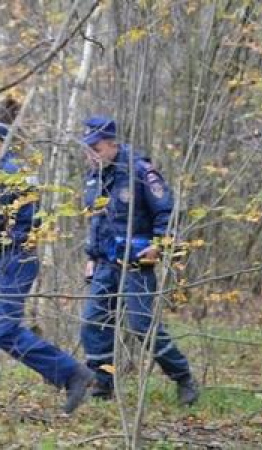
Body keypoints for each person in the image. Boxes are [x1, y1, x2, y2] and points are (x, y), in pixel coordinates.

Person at [0, 116, 94, 416]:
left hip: (16, 260)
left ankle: (71, 373)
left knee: (3, 332)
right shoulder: (10, 171)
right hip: (6, 260)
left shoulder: (7, 175)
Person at [78, 116, 198, 405]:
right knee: (93, 323)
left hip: (136, 265)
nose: (91, 155)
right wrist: (92, 257)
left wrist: (158, 246)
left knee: (142, 325)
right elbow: (96, 221)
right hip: (105, 264)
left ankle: (183, 378)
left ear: (112, 144)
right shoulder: (94, 178)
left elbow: (167, 213)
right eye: (87, 149)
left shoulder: (141, 172)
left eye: (96, 148)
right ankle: (102, 384)